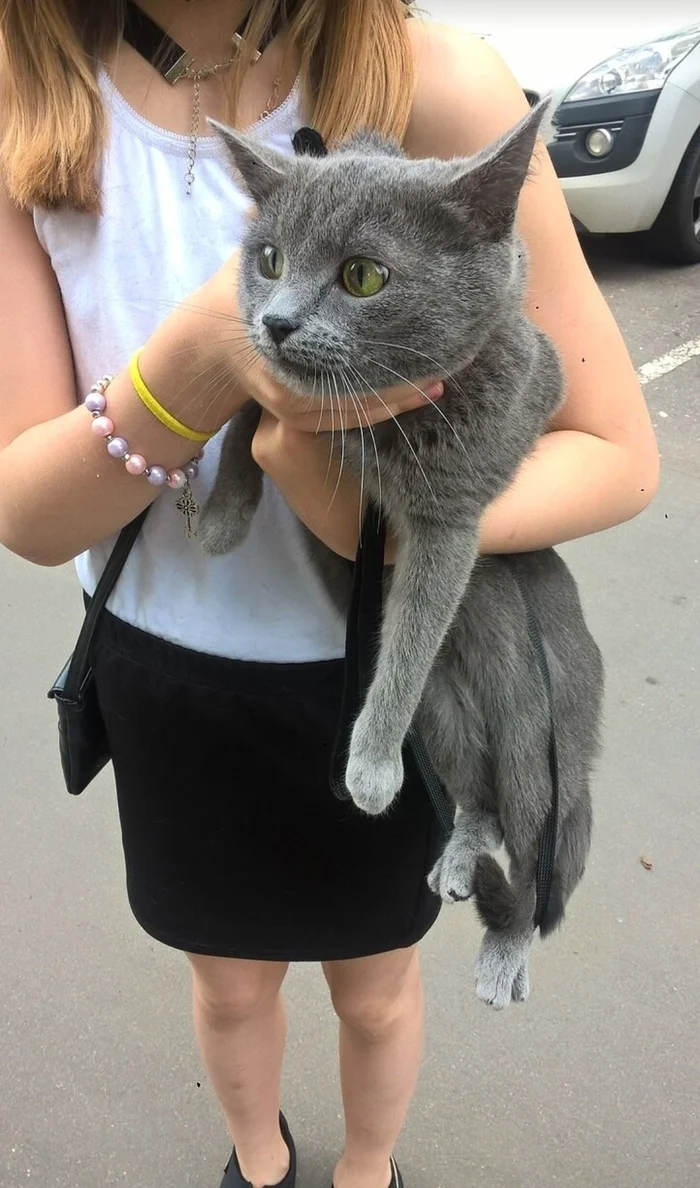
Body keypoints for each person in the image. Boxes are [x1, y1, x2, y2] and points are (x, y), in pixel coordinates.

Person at [0, 2, 658, 1187]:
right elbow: (26, 516)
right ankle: (258, 1159)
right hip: (172, 677)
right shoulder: (30, 116)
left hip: (385, 678)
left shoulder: (437, 81)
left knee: (378, 983)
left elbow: (615, 450)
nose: (289, 307)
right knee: (227, 981)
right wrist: (201, 358)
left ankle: (365, 1168)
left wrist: (395, 516)